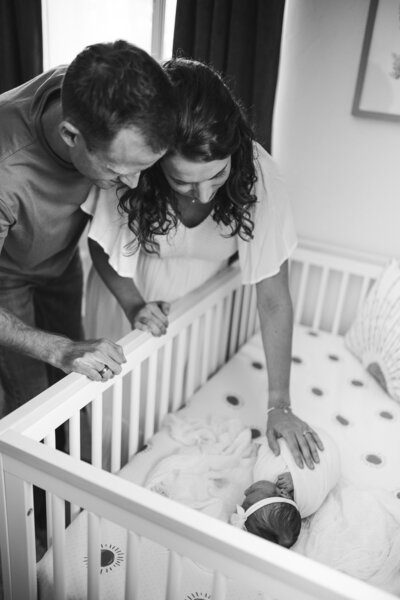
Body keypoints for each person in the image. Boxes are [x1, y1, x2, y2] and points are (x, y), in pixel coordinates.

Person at [82, 57, 322, 469]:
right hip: (123, 293)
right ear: (155, 160)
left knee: (165, 420)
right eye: (183, 181)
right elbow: (102, 247)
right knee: (110, 422)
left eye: (218, 174)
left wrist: (278, 404)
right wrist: (134, 304)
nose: (205, 193)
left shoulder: (261, 176)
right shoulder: (134, 162)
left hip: (192, 308)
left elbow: (273, 297)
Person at [0, 40, 176, 417]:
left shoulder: (90, 88)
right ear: (69, 136)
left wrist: (134, 304)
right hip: (5, 283)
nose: (131, 184)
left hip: (60, 264)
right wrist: (59, 349)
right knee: (31, 407)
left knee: (78, 385)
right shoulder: (5, 171)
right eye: (116, 170)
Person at [230, 426, 340, 547]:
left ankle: (261, 443)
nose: (246, 491)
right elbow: (319, 480)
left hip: (314, 441)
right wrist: (298, 478)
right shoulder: (307, 503)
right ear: (283, 493)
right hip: (319, 444)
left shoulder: (289, 508)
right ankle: (264, 441)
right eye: (253, 491)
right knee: (271, 465)